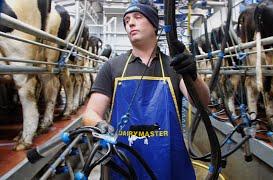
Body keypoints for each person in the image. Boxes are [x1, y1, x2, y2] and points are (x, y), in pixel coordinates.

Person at [82, 0, 210, 179]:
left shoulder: (174, 66)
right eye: (126, 20)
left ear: (154, 25)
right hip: (123, 161)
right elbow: (91, 112)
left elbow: (203, 103)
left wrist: (193, 76)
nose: (130, 23)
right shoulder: (112, 67)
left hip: (168, 162)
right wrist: (100, 125)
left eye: (137, 17)